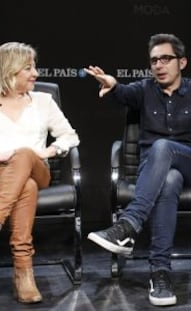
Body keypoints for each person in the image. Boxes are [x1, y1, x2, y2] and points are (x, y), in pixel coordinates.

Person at [84, 33, 191, 307]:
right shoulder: (144, 90)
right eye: (154, 60)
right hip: (157, 172)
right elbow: (120, 92)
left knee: (162, 147)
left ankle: (129, 224)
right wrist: (111, 85)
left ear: (182, 62)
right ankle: (160, 274)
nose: (158, 65)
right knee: (168, 180)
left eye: (165, 59)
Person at [0, 42, 80, 303]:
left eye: (34, 66)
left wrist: (49, 151)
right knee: (26, 188)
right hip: (8, 178)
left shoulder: (43, 101)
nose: (35, 73)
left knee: (24, 154)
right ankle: (24, 274)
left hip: (37, 169)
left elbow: (70, 136)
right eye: (28, 68)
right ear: (9, 70)